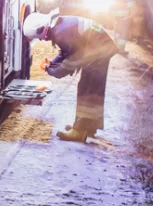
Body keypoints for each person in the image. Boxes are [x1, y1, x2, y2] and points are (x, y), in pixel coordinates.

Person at [23, 12, 119, 143]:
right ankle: (89, 126)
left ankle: (79, 131)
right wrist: (52, 63)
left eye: (39, 37)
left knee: (87, 89)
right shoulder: (59, 26)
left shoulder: (61, 33)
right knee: (94, 89)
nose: (41, 40)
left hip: (99, 51)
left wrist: (51, 70)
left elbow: (70, 63)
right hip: (100, 47)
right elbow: (67, 52)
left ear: (42, 30)